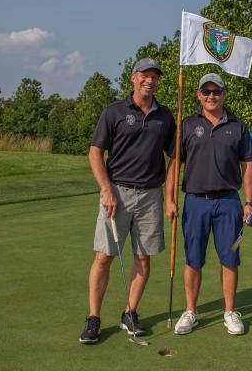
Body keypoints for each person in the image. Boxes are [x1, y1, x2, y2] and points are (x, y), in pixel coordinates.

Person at [79, 58, 176, 344]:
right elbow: (95, 152)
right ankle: (94, 318)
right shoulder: (114, 111)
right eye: (145, 75)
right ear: (133, 77)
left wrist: (169, 197)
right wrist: (106, 189)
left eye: (155, 76)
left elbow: (174, 158)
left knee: (143, 258)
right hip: (117, 193)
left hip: (151, 195)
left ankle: (130, 313)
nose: (150, 80)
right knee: (104, 256)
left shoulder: (166, 116)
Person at [168, 73, 252, 336]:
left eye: (216, 92)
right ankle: (191, 311)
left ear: (224, 94)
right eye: (206, 92)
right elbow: (174, 165)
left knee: (230, 258)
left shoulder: (237, 126)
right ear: (198, 95)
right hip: (195, 201)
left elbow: (248, 166)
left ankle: (229, 311)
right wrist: (170, 200)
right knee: (193, 258)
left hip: (229, 202)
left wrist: (249, 202)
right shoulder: (186, 124)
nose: (211, 96)